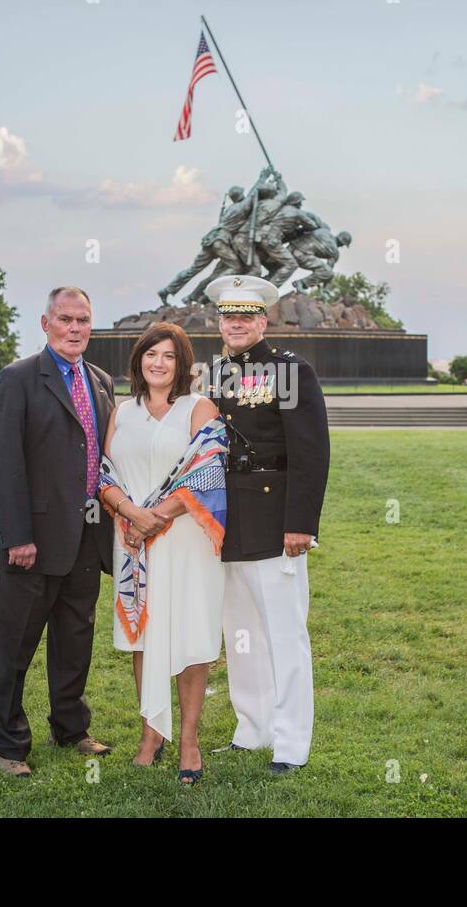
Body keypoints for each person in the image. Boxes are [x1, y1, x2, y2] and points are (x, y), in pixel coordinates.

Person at [0, 286, 116, 777]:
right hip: (31, 543)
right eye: (65, 319)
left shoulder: (100, 380)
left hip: (87, 536)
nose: (75, 328)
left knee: (74, 640)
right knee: (13, 645)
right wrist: (18, 535)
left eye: (83, 320)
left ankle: (71, 727)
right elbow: (3, 463)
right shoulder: (17, 379)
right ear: (45, 323)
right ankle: (10, 745)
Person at [205, 275, 330, 774]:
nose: (236, 323)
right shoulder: (213, 374)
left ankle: (291, 743)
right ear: (219, 322)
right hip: (228, 519)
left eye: (246, 315)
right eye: (228, 316)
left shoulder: (290, 371)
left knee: (283, 633)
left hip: (276, 518)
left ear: (264, 320)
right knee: (241, 634)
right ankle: (250, 729)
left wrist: (300, 523)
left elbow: (311, 452)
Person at [97, 322, 227, 784]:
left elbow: (208, 473)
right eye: (151, 354)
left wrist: (158, 516)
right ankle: (152, 732)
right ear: (139, 360)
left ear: (182, 364)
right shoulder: (122, 412)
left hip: (185, 539)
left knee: (191, 633)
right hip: (132, 540)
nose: (158, 362)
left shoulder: (199, 408)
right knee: (144, 637)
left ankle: (188, 740)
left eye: (169, 356)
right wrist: (130, 514)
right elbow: (103, 472)